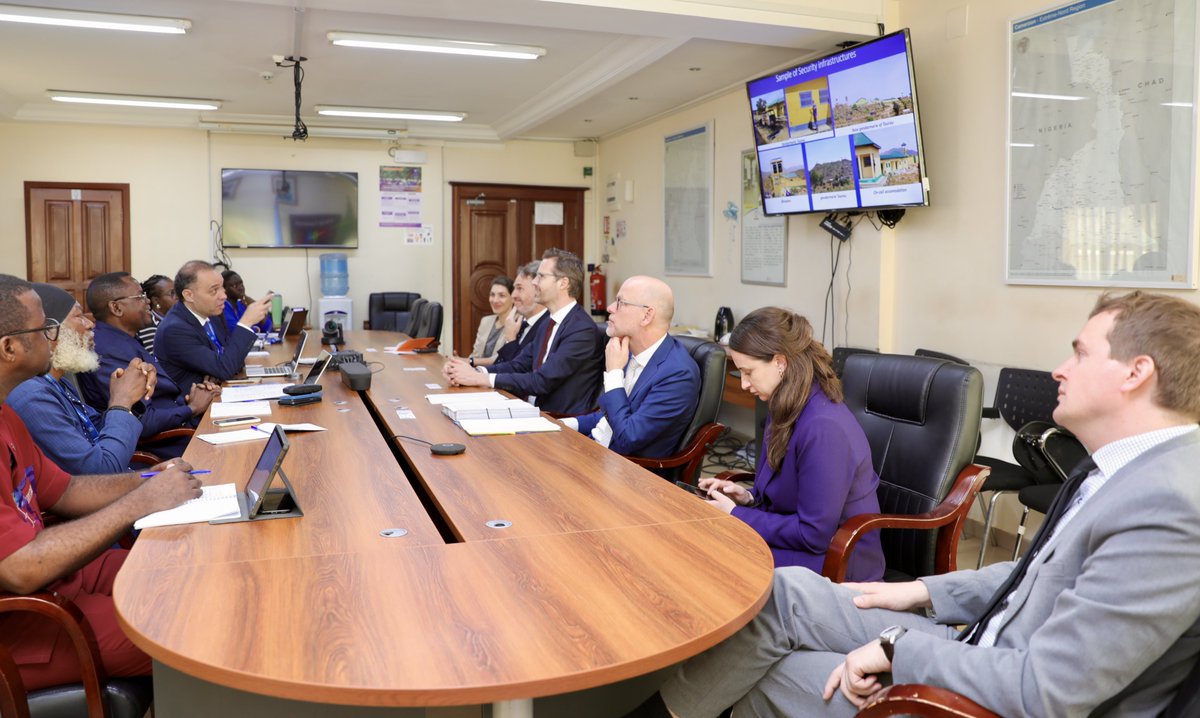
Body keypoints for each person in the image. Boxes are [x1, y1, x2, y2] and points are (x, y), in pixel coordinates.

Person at [636, 291, 1200, 718]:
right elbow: (1043, 573)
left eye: (1079, 353)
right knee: (783, 595)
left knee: (762, 672)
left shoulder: (1171, 505)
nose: (1060, 369)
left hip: (993, 690)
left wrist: (898, 647)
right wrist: (923, 590)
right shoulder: (1122, 469)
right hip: (981, 641)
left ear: (1136, 373)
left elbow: (1049, 688)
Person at [0, 274, 202, 692]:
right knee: (192, 622)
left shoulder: (8, 416)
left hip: (58, 581)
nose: (54, 338)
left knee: (193, 572)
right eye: (45, 329)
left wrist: (149, 480)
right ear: (9, 348)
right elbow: (18, 569)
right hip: (24, 625)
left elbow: (70, 490)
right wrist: (141, 501)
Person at [696, 307, 884, 576]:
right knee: (704, 541)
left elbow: (814, 534)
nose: (745, 384)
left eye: (748, 372)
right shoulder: (786, 404)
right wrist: (747, 499)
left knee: (714, 554)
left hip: (836, 559)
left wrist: (737, 515)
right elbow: (788, 495)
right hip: (803, 544)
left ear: (780, 363)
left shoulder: (824, 427)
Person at [6, 283, 153, 475]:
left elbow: (95, 430)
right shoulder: (31, 396)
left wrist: (129, 395)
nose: (90, 324)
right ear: (49, 331)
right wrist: (121, 402)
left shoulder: (58, 382)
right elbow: (101, 472)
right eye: (78, 316)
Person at [443, 249, 603, 414]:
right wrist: (470, 372)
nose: (534, 282)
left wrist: (480, 378)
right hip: (531, 411)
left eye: (541, 276)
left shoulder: (581, 330)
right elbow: (518, 365)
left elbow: (542, 381)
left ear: (563, 283)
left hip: (557, 421)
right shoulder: (549, 322)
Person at [78, 272, 219, 456]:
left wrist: (193, 397)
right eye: (140, 296)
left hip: (181, 429)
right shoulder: (106, 350)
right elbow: (141, 420)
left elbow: (159, 397)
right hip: (165, 446)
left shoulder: (126, 339)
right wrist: (191, 409)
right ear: (116, 308)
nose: (148, 302)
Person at [562, 276, 700, 458]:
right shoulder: (629, 352)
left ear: (646, 316)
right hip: (592, 450)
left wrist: (614, 374)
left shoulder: (678, 374)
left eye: (620, 302)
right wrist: (565, 424)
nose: (610, 308)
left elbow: (628, 437)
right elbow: (612, 415)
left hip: (625, 473)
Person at [154, 260, 271, 394]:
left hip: (215, 393)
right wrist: (246, 323)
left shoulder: (212, 314)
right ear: (189, 295)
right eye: (214, 290)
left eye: (222, 288)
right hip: (191, 408)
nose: (223, 296)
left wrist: (218, 369)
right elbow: (225, 368)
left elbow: (233, 362)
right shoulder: (175, 329)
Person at [480, 262, 548, 367]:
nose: (513, 295)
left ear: (538, 290)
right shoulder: (521, 323)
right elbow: (501, 363)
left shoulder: (549, 326)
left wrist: (511, 339)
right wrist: (475, 372)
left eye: (519, 288)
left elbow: (521, 370)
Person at [469, 275, 515, 362]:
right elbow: (476, 354)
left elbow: (502, 359)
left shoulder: (518, 323)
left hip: (499, 374)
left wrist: (471, 362)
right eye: (492, 295)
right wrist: (462, 362)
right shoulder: (485, 321)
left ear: (513, 299)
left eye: (502, 295)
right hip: (478, 371)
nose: (495, 300)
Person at [221, 269, 273, 335]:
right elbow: (235, 332)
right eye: (234, 286)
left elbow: (269, 328)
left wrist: (255, 306)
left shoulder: (242, 305)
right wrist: (256, 329)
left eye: (241, 283)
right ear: (224, 289)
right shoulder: (222, 307)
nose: (240, 288)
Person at [137, 274, 175, 353]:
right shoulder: (149, 326)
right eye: (172, 294)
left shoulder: (179, 320)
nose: (178, 297)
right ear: (156, 301)